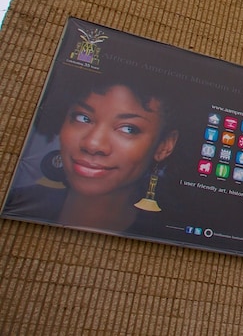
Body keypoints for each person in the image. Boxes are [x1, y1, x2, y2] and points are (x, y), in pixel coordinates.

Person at [2, 68, 180, 234]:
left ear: (164, 146)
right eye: (83, 118)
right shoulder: (16, 201)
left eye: (128, 129)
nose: (93, 144)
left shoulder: (168, 232)